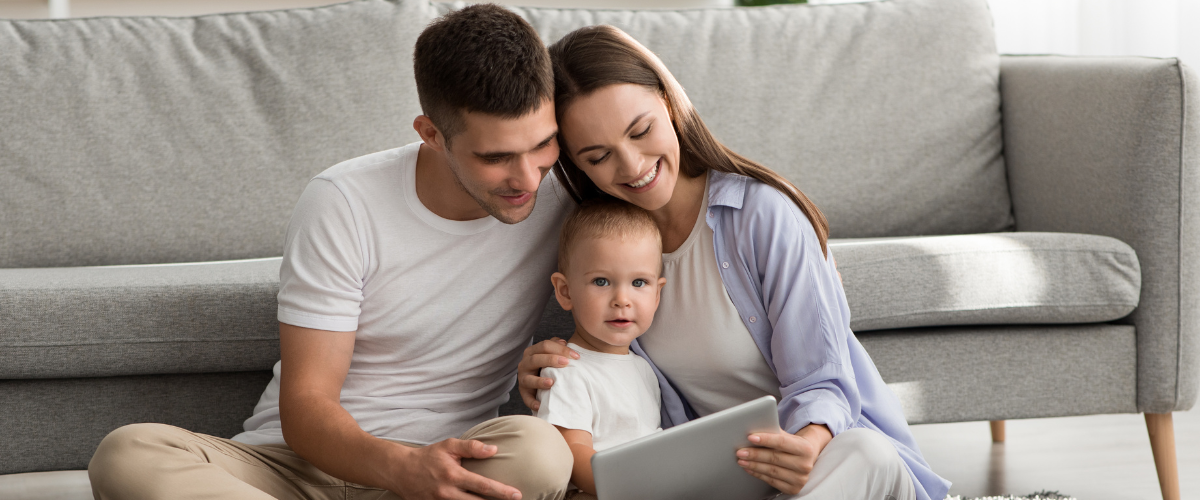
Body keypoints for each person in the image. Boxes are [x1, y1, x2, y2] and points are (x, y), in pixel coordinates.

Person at [88, 5, 576, 500]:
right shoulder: (343, 200)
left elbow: (654, 166)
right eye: (495, 158)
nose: (528, 178)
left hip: (447, 466)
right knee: (128, 453)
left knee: (540, 452)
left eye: (544, 144)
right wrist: (402, 468)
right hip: (291, 468)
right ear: (430, 134)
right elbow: (306, 406)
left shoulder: (565, 192)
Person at [516, 25, 952, 500]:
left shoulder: (762, 216)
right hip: (728, 484)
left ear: (668, 100)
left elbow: (824, 377)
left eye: (640, 131)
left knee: (865, 453)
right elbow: (608, 389)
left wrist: (806, 445)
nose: (632, 165)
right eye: (598, 157)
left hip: (828, 468)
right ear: (578, 167)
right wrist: (546, 371)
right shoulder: (599, 249)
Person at [535, 199, 666, 498]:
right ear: (565, 292)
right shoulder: (566, 367)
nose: (622, 299)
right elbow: (572, 451)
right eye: (602, 281)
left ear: (658, 294)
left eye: (638, 282)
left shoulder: (644, 368)